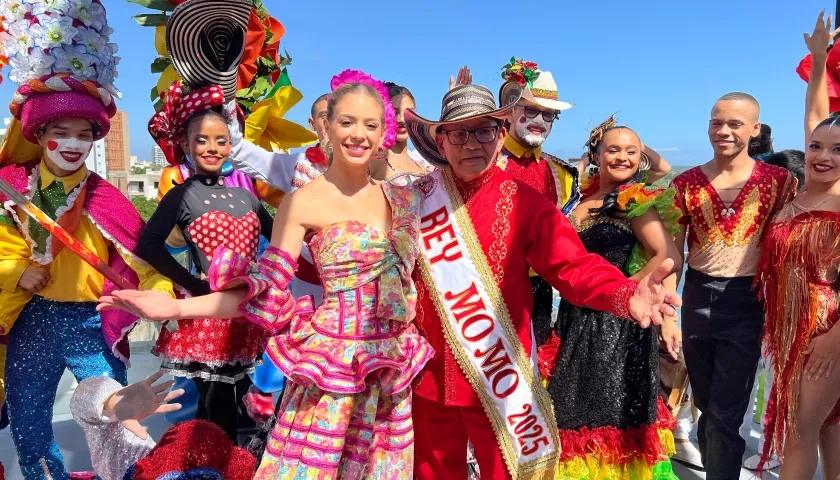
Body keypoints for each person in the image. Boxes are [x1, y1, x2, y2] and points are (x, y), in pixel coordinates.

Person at [99, 70, 434, 478]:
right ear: (327, 126)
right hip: (332, 369)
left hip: (391, 366)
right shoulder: (302, 202)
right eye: (347, 122)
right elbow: (264, 291)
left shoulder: (404, 196)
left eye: (371, 124)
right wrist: (174, 306)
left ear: (384, 131)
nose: (358, 135)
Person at [404, 84, 681, 479]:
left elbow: (574, 267)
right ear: (441, 140)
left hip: (498, 380)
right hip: (428, 379)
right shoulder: (412, 201)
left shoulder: (524, 201)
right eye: (459, 133)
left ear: (500, 135)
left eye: (483, 131)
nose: (471, 144)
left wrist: (623, 292)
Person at [0, 2, 175, 477]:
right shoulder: (11, 185)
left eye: (84, 134)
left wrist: (156, 298)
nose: (73, 144)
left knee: (117, 422)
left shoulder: (108, 197)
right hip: (30, 323)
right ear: (39, 134)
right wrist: (18, 271)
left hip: (91, 322)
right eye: (61, 132)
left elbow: (147, 262)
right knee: (29, 426)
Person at [543, 118, 682, 478]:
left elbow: (668, 256)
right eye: (614, 149)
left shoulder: (632, 203)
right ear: (596, 154)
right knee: (571, 407)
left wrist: (622, 288)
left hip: (616, 324)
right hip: (574, 319)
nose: (622, 157)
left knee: (609, 413)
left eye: (632, 152)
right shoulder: (578, 198)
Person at [137, 81, 275, 441]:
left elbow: (280, 244)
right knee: (215, 398)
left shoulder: (248, 197)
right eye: (202, 140)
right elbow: (148, 245)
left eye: (221, 140)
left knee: (245, 396)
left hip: (247, 311)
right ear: (185, 144)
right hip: (207, 315)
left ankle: (222, 460)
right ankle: (220, 464)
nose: (213, 148)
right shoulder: (183, 194)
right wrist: (195, 285)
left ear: (231, 145)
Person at [671, 89, 794, 479]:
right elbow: (674, 254)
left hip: (747, 301)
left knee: (727, 413)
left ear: (755, 129)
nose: (723, 131)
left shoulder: (780, 182)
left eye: (734, 124)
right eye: (716, 122)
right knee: (708, 406)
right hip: (696, 296)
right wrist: (668, 313)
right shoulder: (686, 182)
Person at [755, 12, 840, 479]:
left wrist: (834, 340)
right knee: (829, 429)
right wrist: (823, 57)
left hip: (829, 327)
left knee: (798, 433)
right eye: (817, 146)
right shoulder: (798, 189)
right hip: (790, 328)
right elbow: (816, 113)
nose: (823, 155)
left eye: (838, 149)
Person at [69, 372, 256, 480]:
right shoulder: (124, 459)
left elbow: (84, 404)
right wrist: (112, 400)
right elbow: (84, 403)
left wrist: (112, 400)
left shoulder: (118, 461)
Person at [380, 82, 433, 176]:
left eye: (409, 112)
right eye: (394, 112)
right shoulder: (373, 164)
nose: (402, 120)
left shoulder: (422, 168)